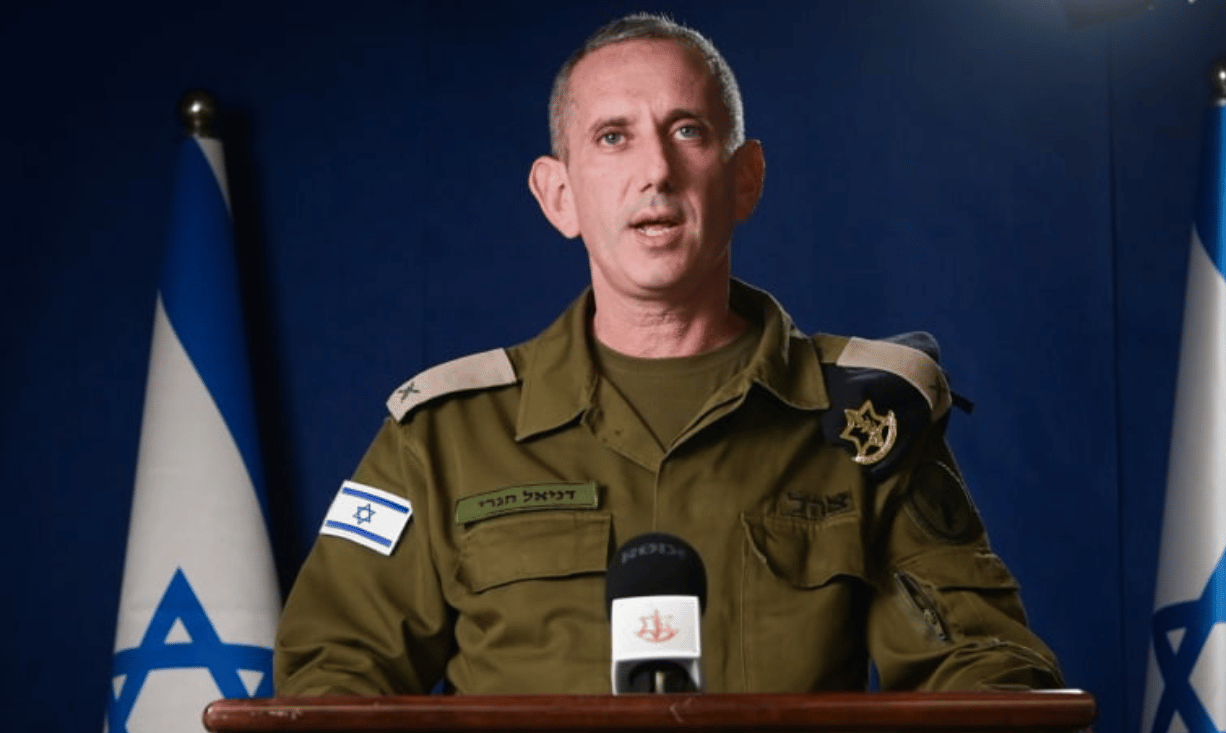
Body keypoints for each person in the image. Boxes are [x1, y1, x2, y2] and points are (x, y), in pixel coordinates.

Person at [273, 12, 1064, 696]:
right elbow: (330, 684)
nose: (654, 171)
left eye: (687, 130)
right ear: (559, 196)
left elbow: (984, 675)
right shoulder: (442, 436)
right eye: (611, 137)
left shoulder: (865, 420)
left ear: (744, 178)